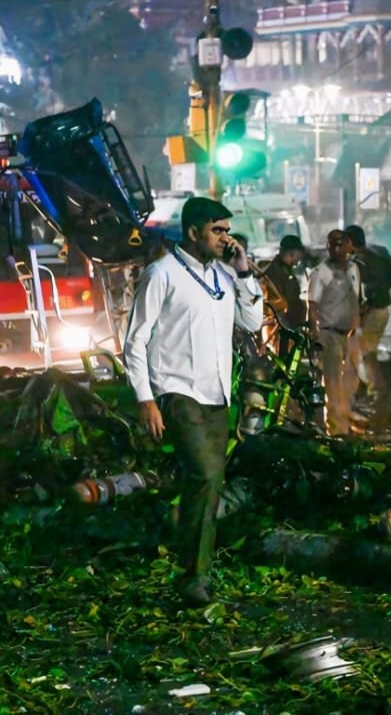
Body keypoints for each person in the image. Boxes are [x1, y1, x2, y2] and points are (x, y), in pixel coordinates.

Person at [123, 197, 263, 606]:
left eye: (227, 231)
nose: (226, 239)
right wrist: (146, 398)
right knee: (204, 473)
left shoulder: (223, 275)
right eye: (218, 231)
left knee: (208, 482)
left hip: (217, 392)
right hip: (177, 390)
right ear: (193, 232)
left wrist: (244, 272)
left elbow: (252, 321)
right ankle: (194, 576)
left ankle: (192, 566)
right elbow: (135, 340)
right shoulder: (162, 274)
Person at [308, 229, 364, 436]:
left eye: (342, 244)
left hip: (350, 334)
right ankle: (335, 429)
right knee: (332, 383)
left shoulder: (354, 268)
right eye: (334, 244)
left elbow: (357, 298)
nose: (339, 249)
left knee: (350, 382)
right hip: (329, 333)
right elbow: (312, 305)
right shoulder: (321, 272)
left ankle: (344, 422)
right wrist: (315, 335)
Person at [347, 223, 391, 414]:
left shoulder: (359, 261)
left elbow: (364, 290)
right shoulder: (378, 254)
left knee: (367, 354)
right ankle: (373, 391)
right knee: (366, 353)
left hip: (372, 312)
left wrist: (363, 307)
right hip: (381, 310)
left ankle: (378, 392)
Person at [262, 234, 307, 331]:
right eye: (299, 255)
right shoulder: (275, 271)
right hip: (280, 325)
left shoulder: (285, 269)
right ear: (292, 253)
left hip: (288, 322)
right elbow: (278, 301)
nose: (299, 260)